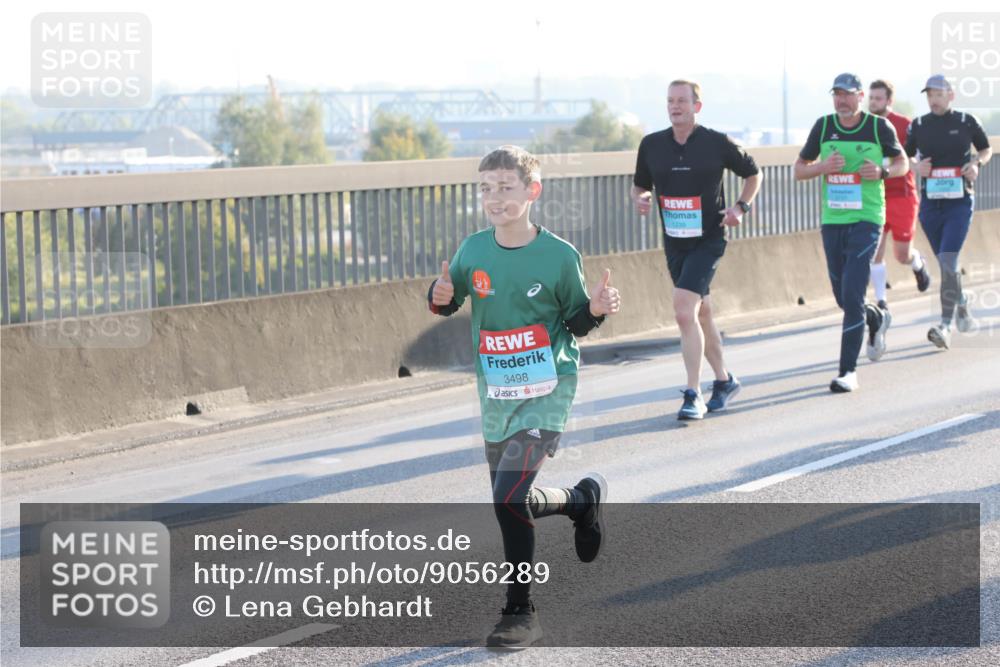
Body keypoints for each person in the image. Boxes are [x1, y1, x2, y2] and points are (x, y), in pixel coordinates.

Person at [428, 145, 621, 648]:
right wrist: (438, 295)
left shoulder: (558, 255)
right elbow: (448, 300)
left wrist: (597, 307)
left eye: (505, 187)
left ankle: (520, 612)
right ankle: (579, 502)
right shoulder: (473, 250)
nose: (494, 198)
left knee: (507, 497)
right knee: (509, 503)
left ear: (532, 191)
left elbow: (577, 322)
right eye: (486, 187)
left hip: (547, 391)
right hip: (497, 394)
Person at [631, 79, 761, 420]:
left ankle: (693, 394)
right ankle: (724, 381)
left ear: (696, 107)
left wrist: (739, 208)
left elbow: (753, 173)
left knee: (683, 310)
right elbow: (640, 186)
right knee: (701, 314)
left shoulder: (716, 143)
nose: (675, 106)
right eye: (670, 101)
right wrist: (641, 200)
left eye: (682, 101)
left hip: (709, 239)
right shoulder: (652, 145)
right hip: (675, 241)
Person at [794, 73, 909, 392]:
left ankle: (848, 371)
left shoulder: (877, 127)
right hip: (833, 220)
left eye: (847, 95)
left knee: (854, 293)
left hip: (868, 218)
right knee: (843, 297)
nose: (841, 100)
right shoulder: (824, 125)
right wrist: (822, 167)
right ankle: (875, 319)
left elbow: (903, 163)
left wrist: (882, 171)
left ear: (860, 97)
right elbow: (799, 169)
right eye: (836, 94)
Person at [905, 74, 993, 349]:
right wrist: (916, 167)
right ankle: (962, 300)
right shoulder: (919, 125)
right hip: (931, 205)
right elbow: (905, 158)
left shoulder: (966, 122)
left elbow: (986, 149)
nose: (933, 99)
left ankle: (944, 326)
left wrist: (977, 163)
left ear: (951, 95)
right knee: (947, 264)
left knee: (947, 261)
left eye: (939, 94)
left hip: (959, 202)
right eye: (929, 95)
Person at [866, 79, 931, 321]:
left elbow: (915, 156)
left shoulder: (904, 125)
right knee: (875, 252)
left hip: (902, 197)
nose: (873, 102)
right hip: (875, 197)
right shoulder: (865, 125)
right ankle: (882, 301)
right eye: (871, 98)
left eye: (878, 98)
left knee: (901, 255)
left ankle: (918, 264)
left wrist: (913, 164)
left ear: (889, 101)